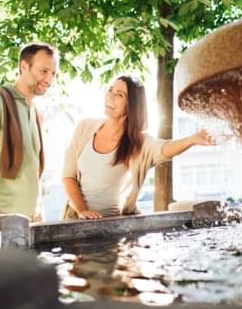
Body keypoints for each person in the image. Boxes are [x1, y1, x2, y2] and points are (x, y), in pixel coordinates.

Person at [62, 75, 215, 220]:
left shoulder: (139, 143)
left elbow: (165, 149)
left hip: (113, 224)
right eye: (111, 90)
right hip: (74, 217)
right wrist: (83, 210)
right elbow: (68, 175)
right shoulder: (85, 127)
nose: (110, 96)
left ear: (132, 106)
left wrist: (193, 139)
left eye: (120, 95)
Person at [0, 42, 59, 219]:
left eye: (53, 73)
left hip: (32, 216)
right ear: (24, 66)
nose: (49, 80)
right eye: (44, 71)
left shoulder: (35, 112)